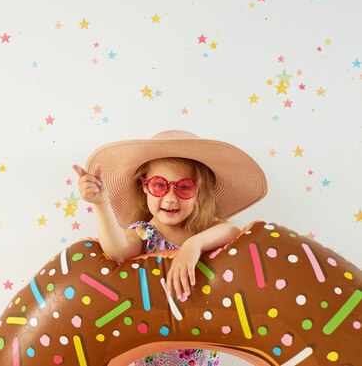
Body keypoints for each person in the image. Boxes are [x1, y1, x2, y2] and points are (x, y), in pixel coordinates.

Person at [72, 130, 267, 366]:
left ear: (200, 191)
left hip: (202, 356)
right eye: (159, 185)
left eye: (184, 187)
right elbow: (117, 252)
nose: (170, 198)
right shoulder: (145, 234)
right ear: (144, 186)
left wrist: (192, 245)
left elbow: (232, 231)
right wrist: (102, 205)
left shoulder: (205, 232)